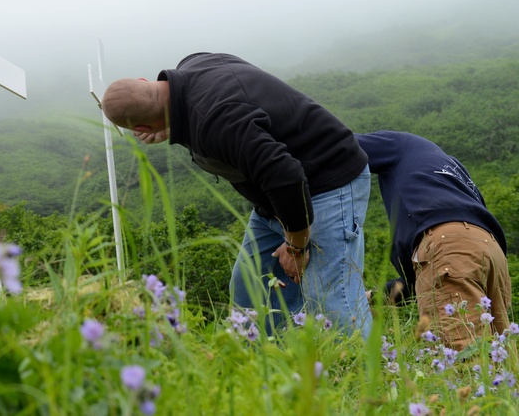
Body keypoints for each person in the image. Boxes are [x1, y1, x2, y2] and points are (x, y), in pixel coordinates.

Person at [102, 52, 372, 336]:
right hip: (275, 203)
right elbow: (226, 117)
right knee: (251, 292)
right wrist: (171, 126)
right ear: (146, 81)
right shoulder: (193, 63)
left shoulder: (216, 121)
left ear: (142, 129)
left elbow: (286, 176)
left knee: (334, 306)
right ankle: (271, 373)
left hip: (327, 184)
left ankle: (365, 376)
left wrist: (296, 246)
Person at [356, 130, 512, 349]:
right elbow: (425, 277)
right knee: (497, 363)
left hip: (449, 244)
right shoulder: (452, 171)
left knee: (460, 360)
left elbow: (339, 147)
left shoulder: (399, 144)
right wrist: (374, 297)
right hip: (492, 252)